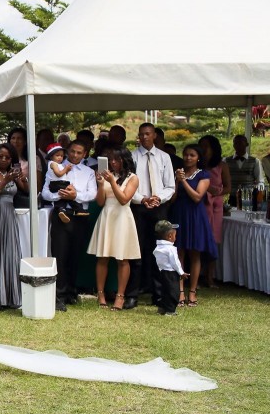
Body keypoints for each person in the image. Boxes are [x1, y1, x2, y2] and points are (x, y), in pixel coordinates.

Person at [42, 141, 97, 311]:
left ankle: (71, 291)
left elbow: (92, 194)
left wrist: (75, 196)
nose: (74, 155)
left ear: (85, 154)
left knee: (74, 255)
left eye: (79, 152)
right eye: (72, 151)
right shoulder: (56, 167)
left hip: (80, 216)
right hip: (61, 214)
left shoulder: (88, 172)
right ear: (67, 151)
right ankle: (59, 294)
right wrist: (60, 195)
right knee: (60, 254)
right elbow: (45, 192)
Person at [128, 123, 176, 310]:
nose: (144, 137)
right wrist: (143, 199)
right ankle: (133, 294)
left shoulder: (164, 157)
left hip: (159, 208)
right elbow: (127, 184)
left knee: (160, 251)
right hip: (139, 207)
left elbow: (170, 186)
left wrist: (158, 198)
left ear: (154, 135)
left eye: (148, 134)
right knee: (137, 251)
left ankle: (158, 295)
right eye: (141, 135)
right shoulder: (132, 157)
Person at [86, 147, 140, 310]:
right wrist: (102, 184)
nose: (113, 163)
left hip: (122, 217)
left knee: (123, 259)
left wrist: (111, 183)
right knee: (103, 257)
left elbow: (124, 199)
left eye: (116, 159)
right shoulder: (108, 176)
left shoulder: (133, 178)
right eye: (111, 160)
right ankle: (101, 294)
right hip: (107, 215)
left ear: (125, 160)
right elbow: (101, 202)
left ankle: (120, 296)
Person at [170, 144, 218, 308]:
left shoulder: (203, 174)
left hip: (195, 216)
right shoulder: (178, 173)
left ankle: (192, 291)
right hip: (179, 213)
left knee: (194, 254)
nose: (188, 158)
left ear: (198, 158)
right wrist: (177, 182)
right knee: (179, 252)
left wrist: (184, 181)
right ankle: (180, 290)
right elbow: (173, 198)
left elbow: (197, 197)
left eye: (191, 155)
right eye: (186, 155)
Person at [0, 143, 24, 309]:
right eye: (0, 156)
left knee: (9, 252)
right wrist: (5, 180)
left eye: (7, 157)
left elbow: (27, 190)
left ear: (12, 159)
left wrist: (21, 177)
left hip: (9, 214)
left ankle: (9, 295)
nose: (3, 159)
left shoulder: (12, 172)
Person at [198, 135, 230, 287]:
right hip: (199, 205)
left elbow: (229, 187)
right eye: (201, 146)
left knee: (213, 240)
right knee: (198, 241)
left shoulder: (221, 166)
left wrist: (215, 191)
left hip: (216, 206)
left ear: (214, 148)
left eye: (207, 146)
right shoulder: (197, 165)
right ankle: (195, 276)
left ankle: (209, 277)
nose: (204, 149)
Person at [153, 221, 187, 316]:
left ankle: (162, 308)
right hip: (171, 273)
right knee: (173, 291)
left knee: (164, 290)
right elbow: (175, 262)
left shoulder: (157, 249)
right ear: (170, 237)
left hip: (162, 272)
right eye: (175, 235)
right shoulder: (171, 249)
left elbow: (159, 262)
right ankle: (170, 310)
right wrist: (181, 272)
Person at [43, 143, 75, 223]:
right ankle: (77, 209)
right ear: (51, 156)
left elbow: (62, 175)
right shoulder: (53, 164)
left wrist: (66, 171)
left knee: (63, 198)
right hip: (56, 184)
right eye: (57, 155)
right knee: (67, 194)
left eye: (61, 156)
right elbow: (59, 174)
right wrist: (66, 169)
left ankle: (61, 210)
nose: (60, 157)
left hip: (59, 182)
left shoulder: (58, 164)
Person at [226, 134, 263, 200]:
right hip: (232, 197)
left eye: (240, 143)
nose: (237, 145)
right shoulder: (226, 161)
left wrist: (258, 195)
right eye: (235, 143)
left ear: (247, 144)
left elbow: (260, 181)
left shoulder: (255, 161)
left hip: (249, 198)